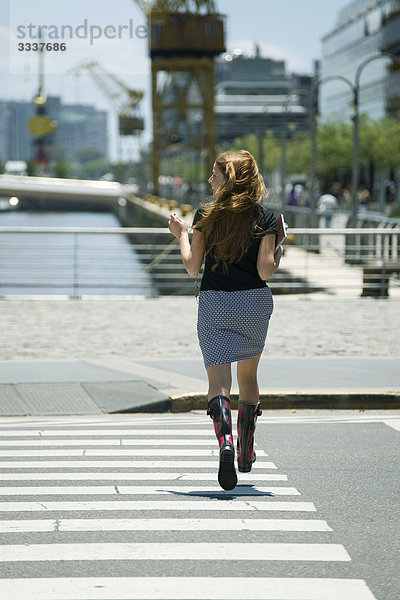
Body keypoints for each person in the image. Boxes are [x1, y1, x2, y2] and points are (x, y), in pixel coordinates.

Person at [168, 150, 282, 491]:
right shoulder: (267, 217)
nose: (209, 180)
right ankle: (246, 451)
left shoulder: (207, 213)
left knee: (219, 385)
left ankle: (226, 444)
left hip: (215, 304)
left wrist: (181, 234)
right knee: (248, 378)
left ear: (228, 178)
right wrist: (279, 248)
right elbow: (266, 270)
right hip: (253, 304)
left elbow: (192, 266)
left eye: (215, 175)